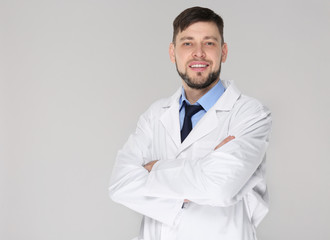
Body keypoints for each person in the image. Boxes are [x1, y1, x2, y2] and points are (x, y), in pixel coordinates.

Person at [109, 6, 272, 240]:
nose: (198, 53)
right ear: (172, 52)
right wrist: (203, 169)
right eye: (187, 43)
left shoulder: (250, 114)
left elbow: (219, 188)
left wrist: (153, 168)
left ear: (223, 52)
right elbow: (119, 184)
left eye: (209, 43)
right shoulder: (155, 114)